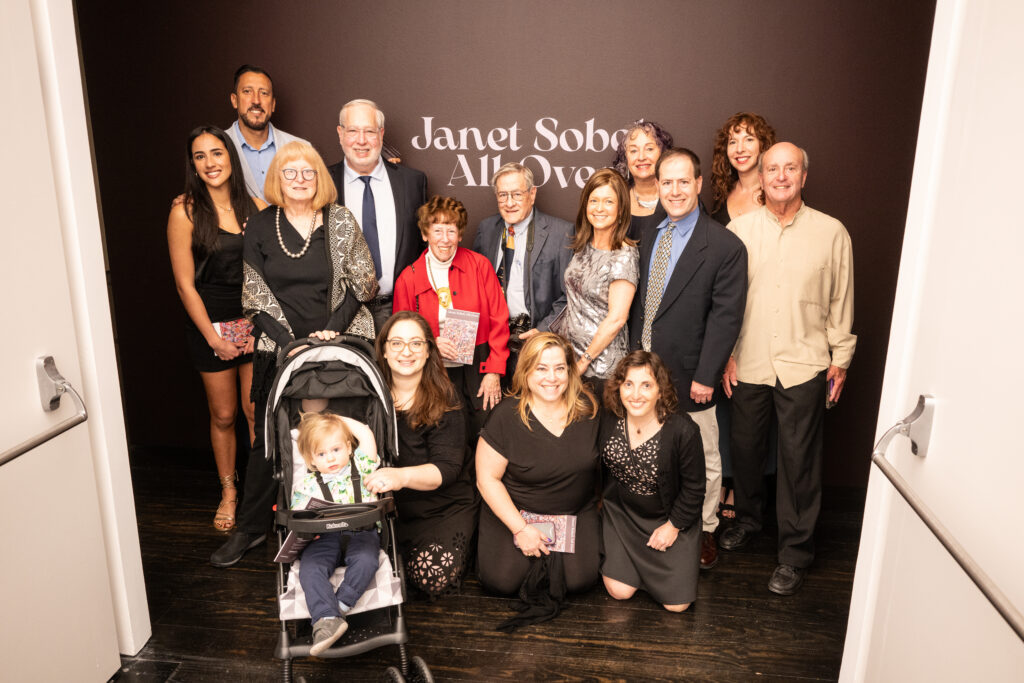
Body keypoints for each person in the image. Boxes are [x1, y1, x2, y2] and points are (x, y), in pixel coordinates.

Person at [210, 140, 378, 568]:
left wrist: (332, 330)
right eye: (290, 173)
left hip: (338, 343)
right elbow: (253, 290)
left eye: (308, 172)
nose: (300, 180)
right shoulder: (263, 226)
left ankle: (352, 515)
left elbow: (363, 280)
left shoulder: (339, 219)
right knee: (268, 437)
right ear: (277, 179)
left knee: (339, 427)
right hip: (280, 344)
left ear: (319, 178)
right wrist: (287, 341)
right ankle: (251, 528)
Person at [720, 143, 856, 596]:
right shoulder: (738, 231)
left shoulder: (832, 232)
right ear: (760, 177)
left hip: (805, 361)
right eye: (772, 169)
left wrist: (841, 357)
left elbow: (841, 299)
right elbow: (726, 302)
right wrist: (726, 353)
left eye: (790, 168)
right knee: (745, 450)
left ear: (803, 175)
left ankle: (795, 552)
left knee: (799, 463)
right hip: (749, 359)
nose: (781, 176)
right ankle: (750, 521)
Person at [627, 148, 747, 571]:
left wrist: (706, 374)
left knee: (703, 459)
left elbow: (726, 317)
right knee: (649, 455)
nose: (674, 191)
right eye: (666, 182)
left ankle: (706, 530)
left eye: (683, 182)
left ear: (698, 184)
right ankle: (658, 524)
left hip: (690, 374)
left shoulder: (725, 246)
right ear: (655, 186)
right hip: (641, 375)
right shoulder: (642, 233)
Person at [167, 126, 264, 532]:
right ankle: (228, 492)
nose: (210, 163)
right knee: (224, 415)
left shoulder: (255, 206)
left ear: (230, 157)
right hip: (211, 326)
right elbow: (184, 285)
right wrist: (213, 338)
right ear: (193, 164)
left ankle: (263, 493)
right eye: (200, 156)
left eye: (217, 153)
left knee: (255, 410)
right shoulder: (184, 211)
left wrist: (263, 327)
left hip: (255, 325)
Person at [475, 333, 601, 623]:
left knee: (581, 580)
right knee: (502, 581)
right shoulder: (505, 416)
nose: (552, 377)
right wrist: (520, 529)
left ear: (570, 370)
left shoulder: (589, 410)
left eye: (560, 368)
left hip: (573, 511)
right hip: (516, 511)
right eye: (541, 368)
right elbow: (487, 479)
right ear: (526, 371)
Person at [366, 311, 478, 598]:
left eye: (416, 344)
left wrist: (399, 476)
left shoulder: (445, 396)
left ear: (429, 351)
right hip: (389, 510)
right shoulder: (369, 396)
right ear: (385, 351)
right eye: (397, 344)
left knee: (433, 576)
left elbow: (447, 469)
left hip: (442, 507)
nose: (407, 351)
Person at [392, 196, 509, 439]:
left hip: (479, 362)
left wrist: (494, 371)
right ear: (425, 235)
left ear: (459, 234)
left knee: (485, 430)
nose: (445, 239)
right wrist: (430, 341)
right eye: (437, 230)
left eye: (451, 230)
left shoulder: (480, 266)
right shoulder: (408, 278)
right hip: (432, 368)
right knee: (446, 432)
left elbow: (499, 319)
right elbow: (400, 334)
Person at [600, 351, 705, 611]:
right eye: (629, 384)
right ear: (619, 387)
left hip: (667, 517)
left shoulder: (683, 430)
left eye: (646, 385)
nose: (636, 395)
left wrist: (673, 526)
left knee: (677, 606)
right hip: (622, 516)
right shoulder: (609, 418)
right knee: (619, 591)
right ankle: (634, 569)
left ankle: (652, 572)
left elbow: (695, 488)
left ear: (661, 390)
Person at [327, 99, 428, 331]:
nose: (361, 140)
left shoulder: (412, 182)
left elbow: (423, 249)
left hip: (399, 310)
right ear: (340, 134)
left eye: (369, 131)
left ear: (381, 135)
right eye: (353, 131)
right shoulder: (322, 183)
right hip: (340, 314)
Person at [471, 162, 574, 381]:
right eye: (502, 195)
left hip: (535, 341)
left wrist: (544, 331)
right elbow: (473, 287)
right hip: (492, 343)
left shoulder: (560, 233)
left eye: (517, 194)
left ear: (532, 193)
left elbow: (571, 296)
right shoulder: (487, 229)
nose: (509, 203)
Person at [292, 412, 380, 656]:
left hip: (361, 531)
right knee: (310, 568)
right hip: (325, 537)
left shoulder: (362, 465)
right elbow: (299, 519)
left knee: (366, 561)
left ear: (349, 448)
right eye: (321, 454)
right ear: (311, 459)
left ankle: (337, 608)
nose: (330, 458)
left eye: (336, 449)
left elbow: (365, 434)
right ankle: (325, 618)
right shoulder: (306, 486)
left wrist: (333, 418)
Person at [550, 168, 639, 393]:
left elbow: (617, 318)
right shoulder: (582, 246)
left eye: (608, 201)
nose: (599, 208)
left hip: (601, 367)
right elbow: (575, 301)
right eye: (594, 200)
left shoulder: (624, 253)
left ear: (620, 210)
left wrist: (585, 360)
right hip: (571, 358)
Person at [224, 65, 309, 201]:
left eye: (264, 93)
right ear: (234, 100)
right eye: (247, 91)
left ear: (273, 104)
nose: (256, 100)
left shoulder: (302, 148)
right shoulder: (216, 148)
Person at [610, 119, 674, 240]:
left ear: (663, 153)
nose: (641, 157)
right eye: (634, 150)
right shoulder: (616, 198)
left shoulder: (679, 196)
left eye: (649, 149)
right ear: (625, 158)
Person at [709, 112, 777, 227]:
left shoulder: (779, 191)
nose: (739, 149)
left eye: (749, 140)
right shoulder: (723, 194)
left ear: (763, 145)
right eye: (733, 142)